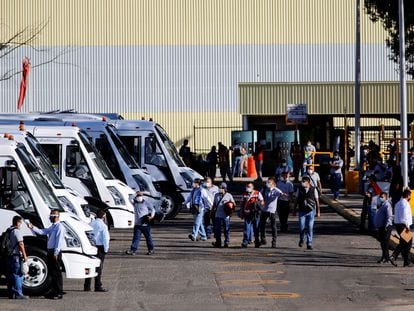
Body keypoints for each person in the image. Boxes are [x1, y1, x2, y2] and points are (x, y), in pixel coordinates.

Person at [29, 209, 66, 299]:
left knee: (56, 272)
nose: (50, 217)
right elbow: (43, 232)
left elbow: (59, 241)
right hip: (50, 251)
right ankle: (53, 291)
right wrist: (32, 227)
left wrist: (56, 253)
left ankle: (59, 292)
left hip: (55, 251)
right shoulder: (53, 226)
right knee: (51, 271)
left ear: (56, 217)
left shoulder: (59, 227)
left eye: (51, 216)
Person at [84, 210, 110, 292]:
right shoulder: (103, 226)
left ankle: (87, 286)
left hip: (91, 246)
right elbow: (106, 238)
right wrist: (106, 249)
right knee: (98, 267)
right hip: (100, 247)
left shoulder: (90, 223)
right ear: (104, 217)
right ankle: (97, 285)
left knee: (90, 265)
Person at [5, 215, 28, 299]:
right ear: (18, 222)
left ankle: (11, 293)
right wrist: (25, 256)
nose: (21, 224)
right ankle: (19, 294)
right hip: (16, 256)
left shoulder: (9, 230)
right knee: (18, 275)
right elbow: (21, 244)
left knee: (10, 275)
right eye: (21, 222)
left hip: (9, 256)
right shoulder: (17, 231)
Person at [258, 177, 283, 248]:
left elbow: (280, 193)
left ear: (273, 184)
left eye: (269, 182)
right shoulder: (264, 189)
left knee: (273, 227)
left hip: (272, 211)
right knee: (262, 226)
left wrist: (275, 188)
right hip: (264, 210)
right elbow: (259, 195)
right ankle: (263, 240)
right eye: (267, 182)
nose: (267, 184)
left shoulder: (275, 191)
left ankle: (274, 242)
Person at [294, 175, 318, 250]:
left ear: (308, 182)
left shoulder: (313, 189)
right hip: (302, 211)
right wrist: (294, 210)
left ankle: (309, 243)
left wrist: (318, 211)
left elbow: (317, 200)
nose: (303, 182)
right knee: (301, 227)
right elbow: (296, 199)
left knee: (310, 227)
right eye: (302, 181)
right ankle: (302, 239)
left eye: (304, 181)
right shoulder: (299, 189)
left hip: (311, 211)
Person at [390, 189, 413, 267]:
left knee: (405, 242)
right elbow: (405, 215)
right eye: (410, 195)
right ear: (408, 195)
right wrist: (407, 226)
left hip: (398, 225)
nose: (410, 197)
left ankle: (406, 261)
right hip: (403, 225)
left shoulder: (398, 203)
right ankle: (394, 256)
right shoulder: (405, 204)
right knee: (407, 242)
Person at [240, 182, 264, 247]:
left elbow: (262, 202)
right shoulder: (245, 194)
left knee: (256, 228)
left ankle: (257, 242)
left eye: (249, 186)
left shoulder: (257, 193)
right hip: (247, 213)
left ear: (253, 187)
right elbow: (242, 204)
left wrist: (257, 204)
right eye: (247, 186)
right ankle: (245, 241)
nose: (248, 188)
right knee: (246, 228)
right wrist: (242, 212)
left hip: (255, 214)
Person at [211, 182, 235, 248]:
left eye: (221, 188)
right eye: (219, 188)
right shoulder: (216, 195)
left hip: (226, 216)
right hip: (217, 215)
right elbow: (214, 204)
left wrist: (230, 207)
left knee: (226, 229)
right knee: (217, 229)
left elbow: (233, 204)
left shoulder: (229, 195)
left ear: (224, 188)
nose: (219, 189)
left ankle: (226, 242)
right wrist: (212, 212)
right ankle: (218, 242)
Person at [374, 192, 393, 264]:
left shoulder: (387, 205)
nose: (381, 198)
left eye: (382, 197)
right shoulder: (381, 205)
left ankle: (385, 258)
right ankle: (385, 257)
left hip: (386, 227)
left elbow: (389, 216)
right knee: (383, 243)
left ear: (386, 198)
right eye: (380, 197)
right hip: (381, 227)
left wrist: (386, 226)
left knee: (385, 243)